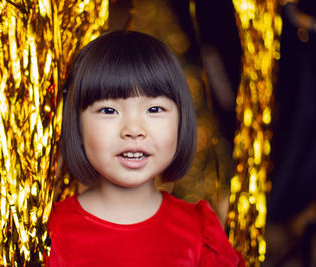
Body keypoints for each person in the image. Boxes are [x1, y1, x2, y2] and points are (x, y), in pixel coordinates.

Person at [47, 30, 244, 266]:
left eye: (154, 109)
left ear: (181, 120)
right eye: (109, 110)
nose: (133, 129)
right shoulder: (48, 233)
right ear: (76, 125)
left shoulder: (200, 232)